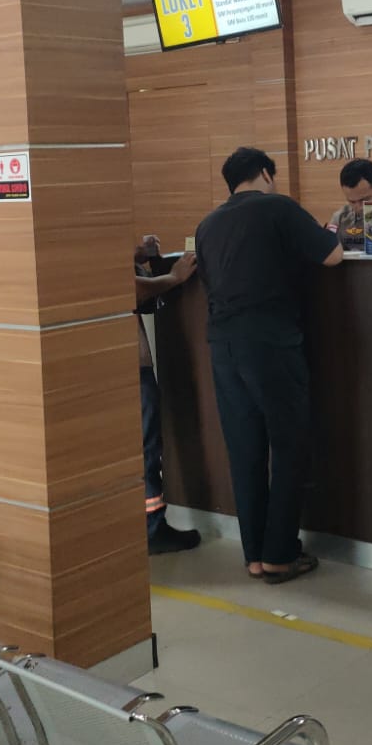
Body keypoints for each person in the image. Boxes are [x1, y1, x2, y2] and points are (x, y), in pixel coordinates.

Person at [195, 147, 342, 583]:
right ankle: (280, 553)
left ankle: (255, 555)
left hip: (222, 344)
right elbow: (333, 255)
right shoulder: (278, 207)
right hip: (269, 341)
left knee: (245, 450)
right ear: (265, 173)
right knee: (290, 444)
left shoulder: (207, 224)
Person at [134, 234, 202, 554]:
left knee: (145, 445)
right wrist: (173, 278)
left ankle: (147, 525)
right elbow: (130, 290)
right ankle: (152, 527)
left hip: (124, 365)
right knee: (146, 446)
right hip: (130, 366)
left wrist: (138, 257)